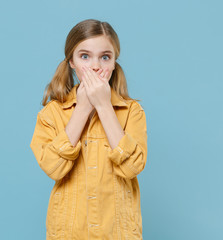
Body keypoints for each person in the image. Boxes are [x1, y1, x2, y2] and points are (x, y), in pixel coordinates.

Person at [30, 19, 148, 240]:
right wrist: (83, 109)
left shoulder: (132, 112)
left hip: (118, 233)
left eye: (105, 57)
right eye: (85, 56)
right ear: (72, 62)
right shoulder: (52, 114)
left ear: (114, 63)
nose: (96, 66)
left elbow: (133, 167)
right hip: (69, 233)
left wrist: (104, 106)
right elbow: (54, 168)